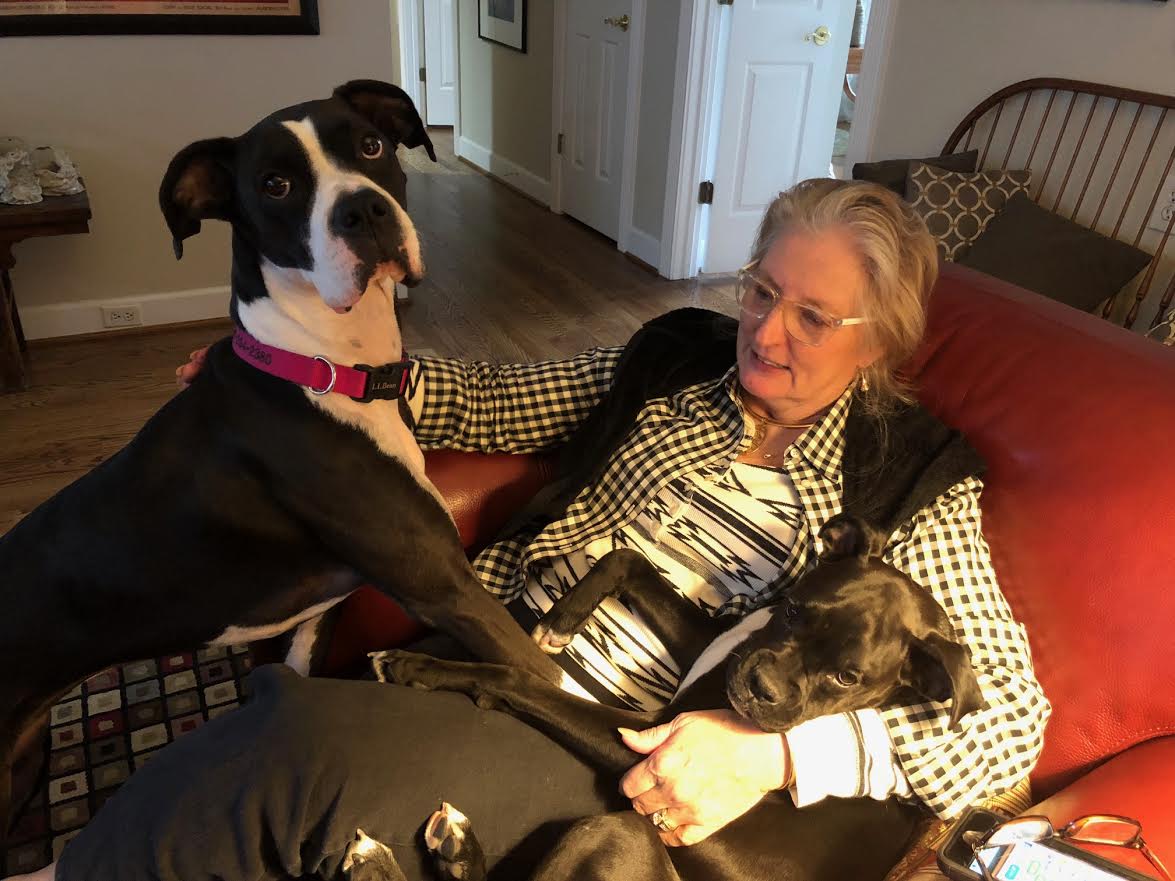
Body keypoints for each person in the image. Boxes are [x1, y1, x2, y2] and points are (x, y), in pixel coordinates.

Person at [10, 179, 1050, 881]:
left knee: (284, 765)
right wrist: (292, 375)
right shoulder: (676, 364)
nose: (765, 332)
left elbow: (1006, 716)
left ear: (882, 343)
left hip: (608, 752)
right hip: (488, 655)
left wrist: (772, 756)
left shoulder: (908, 480)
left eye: (812, 317)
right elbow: (482, 397)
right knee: (267, 751)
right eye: (760, 291)